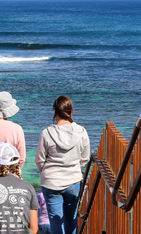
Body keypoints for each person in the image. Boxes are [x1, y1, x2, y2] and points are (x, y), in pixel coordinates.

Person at [35, 96, 89, 234]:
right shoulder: (81, 131)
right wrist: (76, 169)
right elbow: (85, 158)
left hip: (51, 182)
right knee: (71, 218)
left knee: (55, 221)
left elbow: (39, 160)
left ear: (55, 111)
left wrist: (47, 172)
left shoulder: (46, 133)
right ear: (71, 111)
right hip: (73, 181)